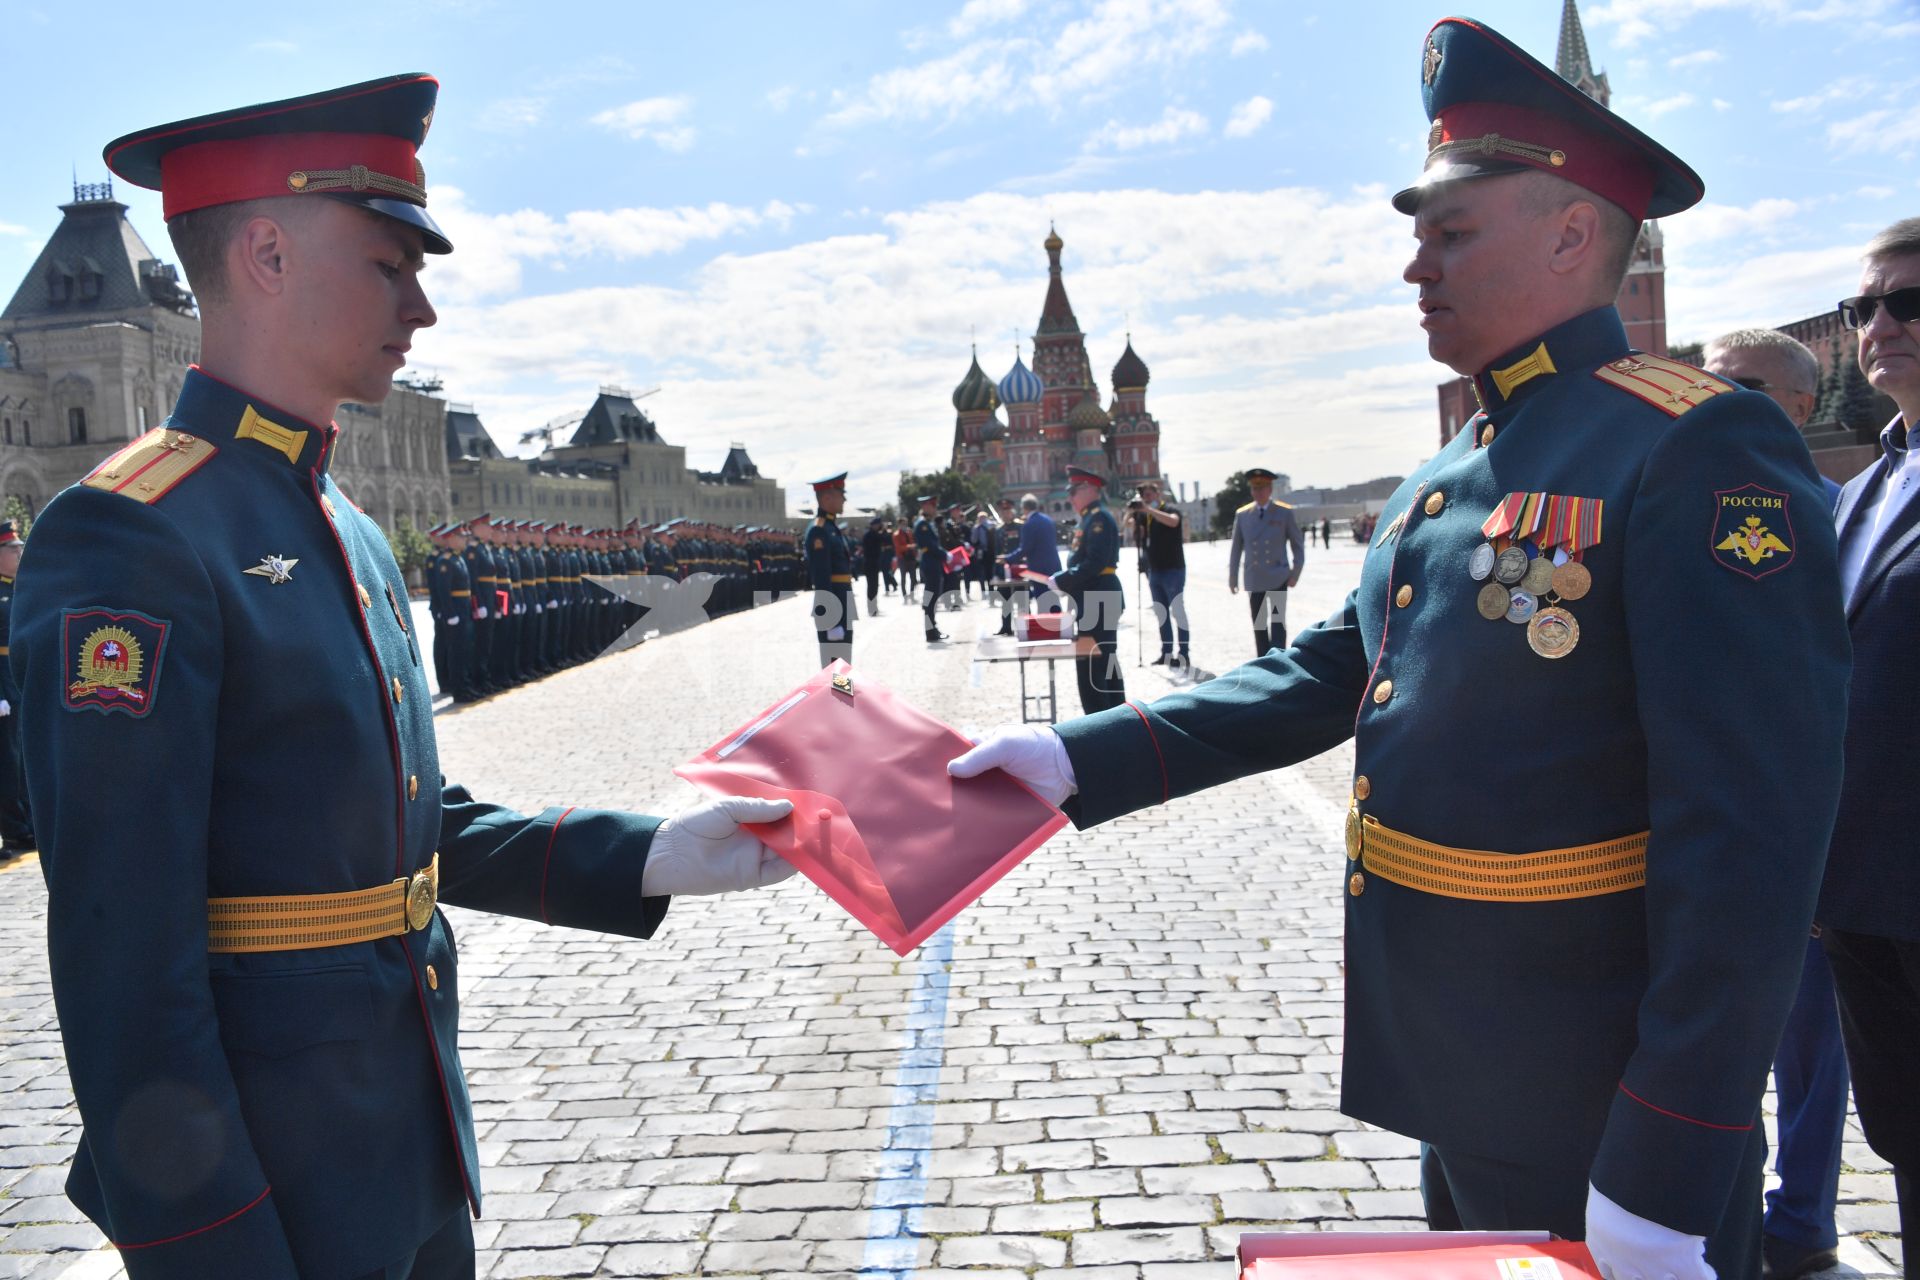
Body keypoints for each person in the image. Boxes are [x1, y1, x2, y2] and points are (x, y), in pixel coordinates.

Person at [954, 19, 1848, 1280]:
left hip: (1602, 1087)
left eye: (1450, 233)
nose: (1415, 267)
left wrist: (1677, 1145)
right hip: (1463, 1058)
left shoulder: (1694, 448)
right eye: (1416, 235)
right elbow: (1332, 667)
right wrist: (1068, 756)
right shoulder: (1453, 471)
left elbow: (1755, 827)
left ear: (1572, 234)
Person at [13, 75, 799, 1280]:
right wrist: (207, 1246)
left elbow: (385, 831)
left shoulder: (353, 528)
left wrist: (652, 852)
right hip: (271, 1189)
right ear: (267, 253)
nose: (422, 306)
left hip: (410, 1148)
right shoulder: (133, 534)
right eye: (389, 265)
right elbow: (124, 956)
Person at [1697, 328, 1848, 1279]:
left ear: (1798, 406)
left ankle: (1800, 1219)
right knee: (1708, 1031)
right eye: (1706, 382)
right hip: (1706, 822)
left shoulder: (1846, 512)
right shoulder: (1678, 501)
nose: (1715, 397)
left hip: (1819, 821)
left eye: (1743, 386)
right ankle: (1722, 1214)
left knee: (1808, 1044)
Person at [1820, 215, 1920, 1269]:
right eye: (1864, 306)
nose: (1880, 323)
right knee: (1904, 1145)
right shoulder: (1865, 487)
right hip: (1865, 893)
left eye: (1908, 302)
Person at [1020, 467, 1125, 714]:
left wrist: (1064, 579)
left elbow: (1095, 563)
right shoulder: (1090, 518)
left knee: (1094, 661)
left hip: (1100, 596)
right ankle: (1115, 714)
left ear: (1090, 488)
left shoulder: (1098, 519)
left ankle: (1103, 719)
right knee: (1101, 659)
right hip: (1094, 596)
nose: (1070, 497)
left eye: (1074, 491)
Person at [1705, 329, 1839, 507]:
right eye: (1707, 387)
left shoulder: (1840, 511)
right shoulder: (1667, 497)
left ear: (1800, 408)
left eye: (1744, 388)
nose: (1719, 400)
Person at [1228, 467, 1306, 656]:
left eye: (1262, 488)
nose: (1258, 492)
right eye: (1255, 489)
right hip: (1255, 578)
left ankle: (1278, 658)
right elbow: (1236, 547)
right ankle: (1263, 661)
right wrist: (1233, 577)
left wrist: (1295, 572)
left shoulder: (1283, 513)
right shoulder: (1243, 515)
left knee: (1278, 622)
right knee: (1260, 624)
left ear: (1270, 490)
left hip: (1278, 576)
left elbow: (1297, 544)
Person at [1130, 480, 1189, 670]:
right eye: (1143, 496)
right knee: (1161, 613)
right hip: (1154, 570)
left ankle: (1184, 654)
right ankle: (1166, 652)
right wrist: (1132, 511)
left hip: (1173, 569)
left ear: (1157, 494)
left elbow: (1173, 521)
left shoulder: (1169, 509)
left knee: (1177, 611)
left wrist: (1149, 510)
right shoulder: (1144, 516)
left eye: (1149, 494)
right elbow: (1127, 526)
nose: (1146, 498)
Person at [0, 520, 31, 854]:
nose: (20, 552)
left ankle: (25, 825)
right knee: (7, 760)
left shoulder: (15, 587)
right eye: (12, 548)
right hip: (2, 680)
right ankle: (13, 828)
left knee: (22, 755)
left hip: (14, 675)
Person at [805, 472, 855, 667]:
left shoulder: (831, 527)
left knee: (843, 663)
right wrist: (831, 619)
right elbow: (821, 577)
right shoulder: (819, 530)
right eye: (840, 493)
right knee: (835, 666)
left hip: (842, 602)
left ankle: (842, 697)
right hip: (834, 607)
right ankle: (838, 697)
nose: (844, 498)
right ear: (826, 497)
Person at [913, 494, 947, 643]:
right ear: (926, 507)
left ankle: (932, 628)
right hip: (930, 564)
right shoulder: (923, 524)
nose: (935, 509)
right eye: (933, 506)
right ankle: (930, 631)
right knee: (931, 599)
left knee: (932, 599)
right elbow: (931, 546)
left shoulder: (928, 523)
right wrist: (945, 555)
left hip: (933, 563)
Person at [861, 516, 886, 616]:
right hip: (870, 564)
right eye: (878, 524)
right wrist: (883, 530)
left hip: (873, 563)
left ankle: (873, 607)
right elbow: (883, 538)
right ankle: (871, 608)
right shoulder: (871, 535)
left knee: (874, 586)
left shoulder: (872, 534)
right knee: (872, 586)